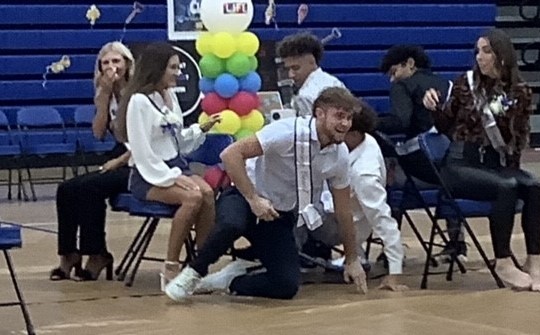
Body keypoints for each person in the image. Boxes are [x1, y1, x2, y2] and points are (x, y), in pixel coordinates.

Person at [164, 87, 368, 301]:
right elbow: (231, 154)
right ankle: (193, 273)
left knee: (286, 286)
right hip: (243, 196)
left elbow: (343, 209)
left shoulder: (340, 155)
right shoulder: (287, 133)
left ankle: (233, 280)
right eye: (339, 116)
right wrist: (253, 199)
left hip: (278, 214)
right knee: (232, 223)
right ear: (319, 114)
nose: (345, 124)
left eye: (348, 118)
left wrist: (351, 258)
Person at [423, 28, 540, 291]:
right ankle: (502, 261)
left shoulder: (520, 91)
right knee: (506, 187)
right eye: (478, 51)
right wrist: (433, 109)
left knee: (534, 186)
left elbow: (518, 138)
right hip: (459, 164)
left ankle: (533, 262)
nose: (480, 57)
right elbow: (446, 126)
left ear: (502, 55)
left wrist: (513, 169)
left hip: (494, 163)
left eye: (487, 51)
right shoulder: (464, 84)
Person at [116, 42, 220, 288]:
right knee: (192, 198)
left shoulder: (170, 96)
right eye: (173, 67)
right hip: (149, 175)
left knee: (206, 192)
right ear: (157, 68)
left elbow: (178, 141)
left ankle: (198, 267)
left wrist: (200, 130)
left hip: (174, 166)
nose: (177, 72)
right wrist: (173, 177)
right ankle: (171, 267)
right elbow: (142, 153)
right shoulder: (139, 102)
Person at [298, 102, 408, 291]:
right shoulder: (365, 139)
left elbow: (384, 221)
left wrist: (395, 273)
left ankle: (281, 263)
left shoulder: (365, 175)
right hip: (332, 206)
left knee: (290, 208)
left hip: (341, 226)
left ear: (354, 133)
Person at [50, 41, 134, 281]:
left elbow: (144, 140)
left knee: (90, 188)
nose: (111, 67)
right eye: (105, 62)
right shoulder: (104, 93)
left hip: (140, 157)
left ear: (127, 64)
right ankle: (69, 254)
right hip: (120, 149)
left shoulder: (140, 92)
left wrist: (119, 161)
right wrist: (105, 98)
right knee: (66, 189)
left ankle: (97, 253)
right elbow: (99, 134)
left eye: (116, 61)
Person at [378, 44, 465, 262]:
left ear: (409, 64)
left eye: (393, 72)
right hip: (453, 164)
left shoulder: (403, 86)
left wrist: (370, 121)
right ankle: (457, 244)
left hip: (424, 163)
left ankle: (392, 248)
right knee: (448, 186)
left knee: (392, 181)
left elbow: (401, 121)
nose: (392, 79)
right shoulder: (447, 84)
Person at [277, 32, 346, 116]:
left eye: (296, 68)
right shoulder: (334, 82)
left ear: (312, 62)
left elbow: (306, 128)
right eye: (288, 69)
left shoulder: (305, 96)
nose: (291, 75)